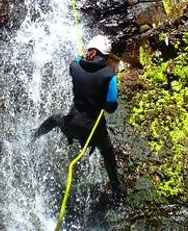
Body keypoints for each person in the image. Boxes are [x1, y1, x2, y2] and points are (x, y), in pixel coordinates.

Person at [32, 34, 125, 198]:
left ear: (90, 51)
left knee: (55, 118)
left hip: (72, 125)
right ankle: (116, 188)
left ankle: (33, 136)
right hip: (93, 130)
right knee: (108, 152)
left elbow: (78, 58)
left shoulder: (74, 66)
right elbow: (111, 108)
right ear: (105, 55)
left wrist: (85, 54)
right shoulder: (109, 76)